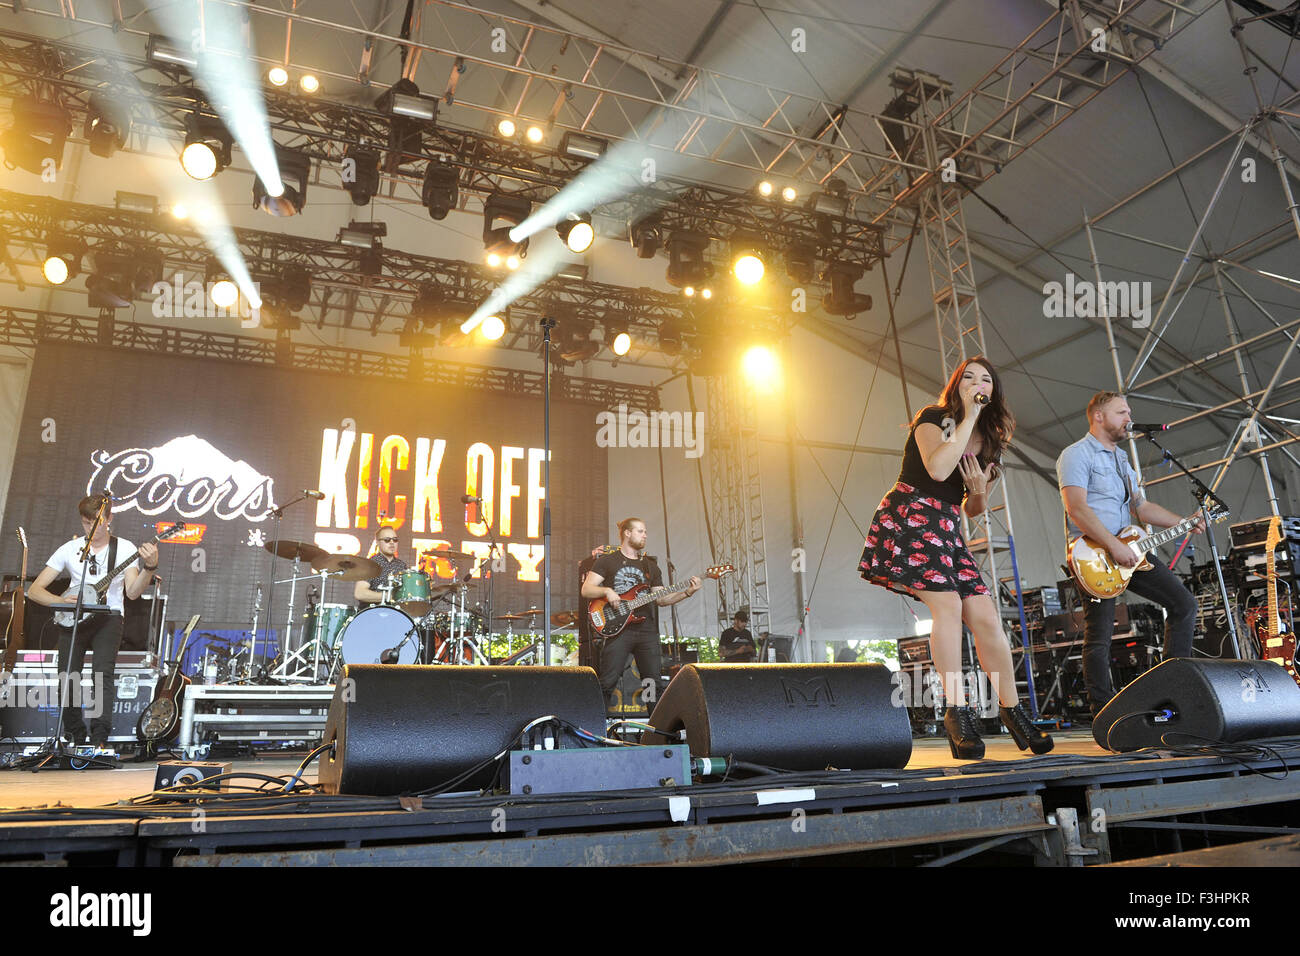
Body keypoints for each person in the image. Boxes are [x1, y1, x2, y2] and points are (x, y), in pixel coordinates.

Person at [859, 356, 1053, 759]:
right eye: (968, 377)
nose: (976, 382)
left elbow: (973, 509)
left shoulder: (991, 442)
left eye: (985, 379)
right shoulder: (932, 418)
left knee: (985, 616)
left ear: (993, 391)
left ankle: (1013, 712)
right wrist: (966, 418)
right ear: (956, 385)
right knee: (946, 604)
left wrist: (980, 489)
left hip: (947, 527)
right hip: (911, 515)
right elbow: (936, 468)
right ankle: (956, 711)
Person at [1057, 391, 1202, 719]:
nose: (1128, 418)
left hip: (1131, 549)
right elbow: (1076, 508)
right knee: (1100, 633)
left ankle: (1172, 692)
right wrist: (1112, 544)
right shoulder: (1076, 455)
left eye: (1129, 411)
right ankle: (1104, 712)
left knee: (1183, 604)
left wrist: (1185, 522)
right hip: (1094, 554)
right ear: (1098, 416)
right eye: (1121, 412)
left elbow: (1142, 507)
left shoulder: (1122, 460)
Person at [27, 494, 159, 749]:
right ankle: (74, 735)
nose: (92, 529)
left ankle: (99, 739)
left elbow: (132, 592)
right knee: (67, 676)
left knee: (102, 674)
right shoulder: (69, 549)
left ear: (109, 519)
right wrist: (60, 600)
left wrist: (150, 568)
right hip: (75, 617)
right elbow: (34, 591)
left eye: (97, 523)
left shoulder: (124, 548)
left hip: (109, 617)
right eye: (87, 523)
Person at [582, 517, 700, 709]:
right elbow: (586, 589)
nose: (645, 535)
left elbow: (661, 599)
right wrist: (607, 591)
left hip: (647, 631)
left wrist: (687, 592)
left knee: (652, 683)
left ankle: (655, 730)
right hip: (618, 628)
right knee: (607, 682)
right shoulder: (608, 561)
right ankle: (596, 729)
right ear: (627, 533)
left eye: (645, 532)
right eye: (640, 531)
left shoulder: (650, 567)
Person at [353, 525, 407, 607]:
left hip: (395, 613)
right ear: (377, 542)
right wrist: (388, 596)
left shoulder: (402, 566)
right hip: (373, 612)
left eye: (395, 539)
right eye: (387, 540)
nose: (392, 542)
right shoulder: (370, 564)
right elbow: (359, 593)